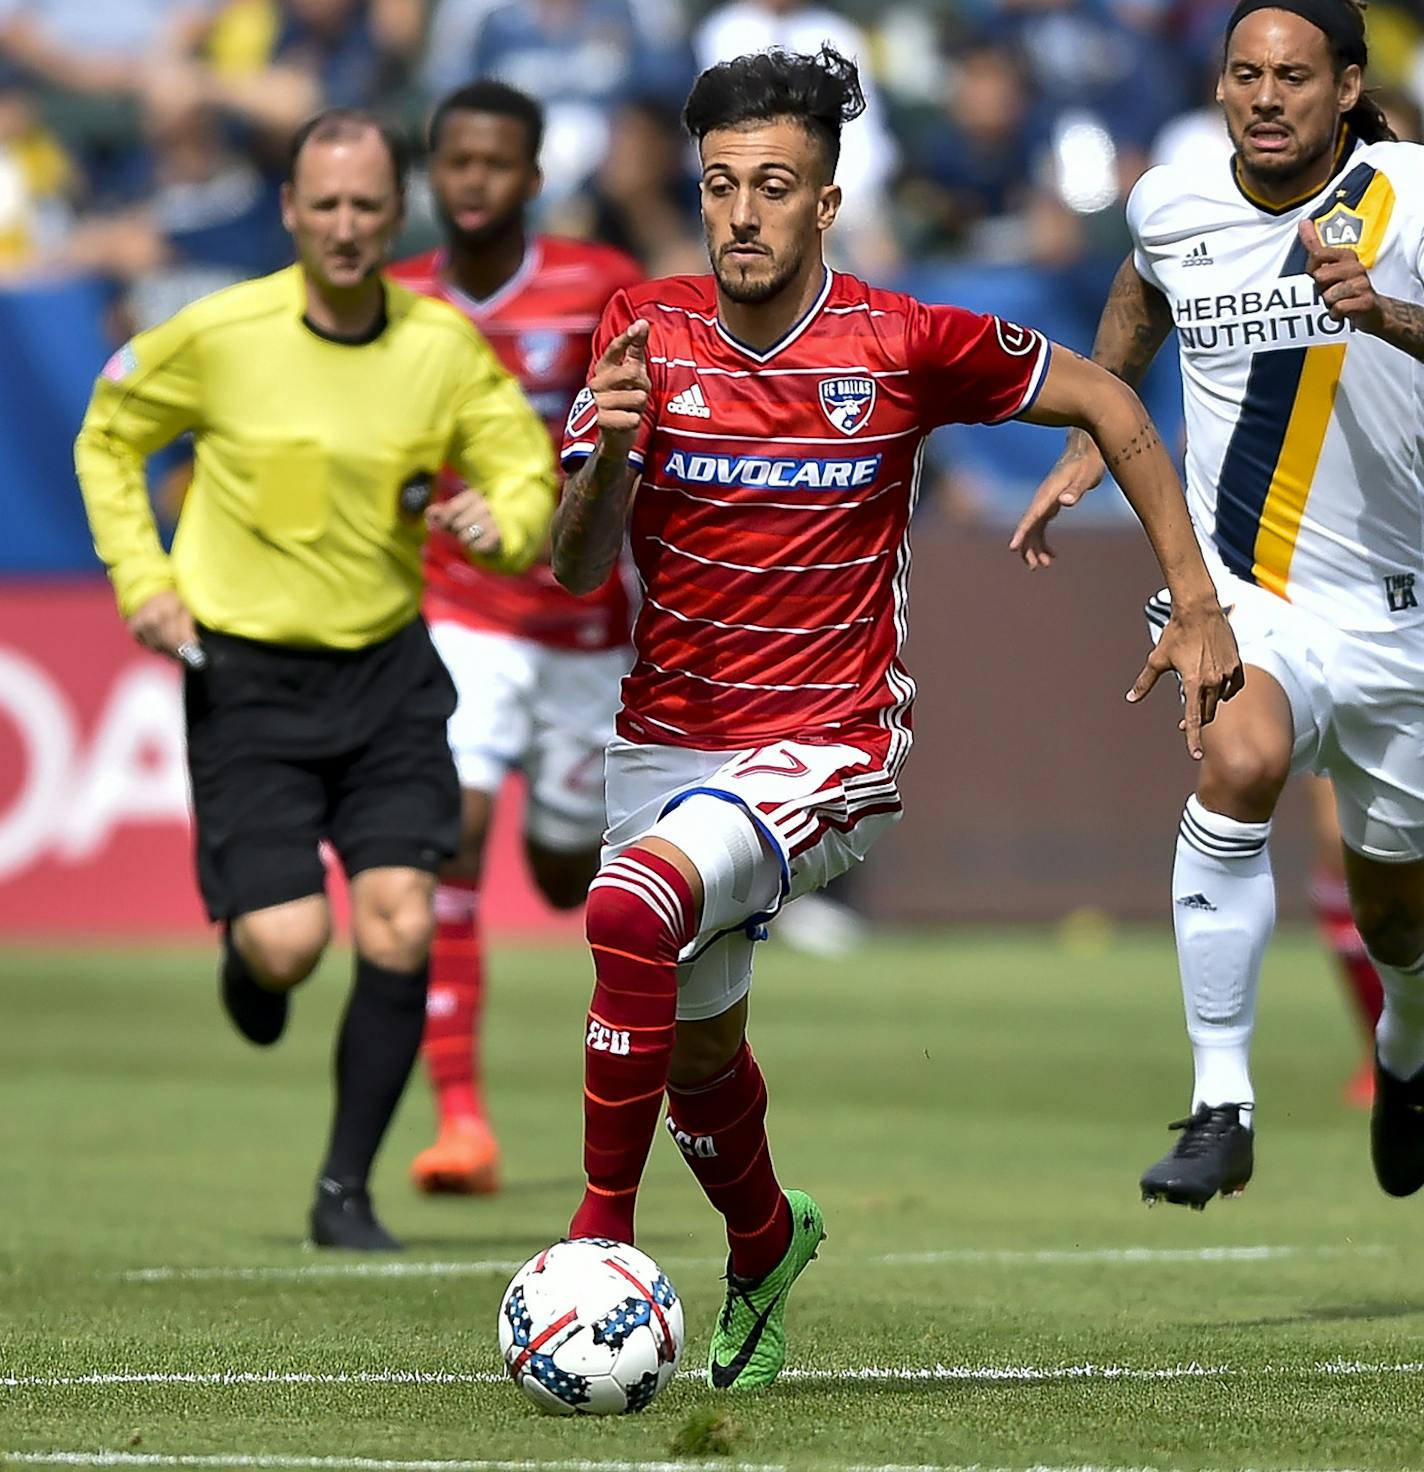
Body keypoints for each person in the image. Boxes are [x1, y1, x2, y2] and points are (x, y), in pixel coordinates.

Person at [549, 43, 1240, 1395]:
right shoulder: (645, 328)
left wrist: (1195, 601)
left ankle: (599, 1251)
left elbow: (1108, 395)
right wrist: (616, 454)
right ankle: (765, 1236)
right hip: (667, 740)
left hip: (833, 743)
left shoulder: (903, 341)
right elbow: (577, 563)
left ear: (824, 202)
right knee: (694, 1056)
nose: (743, 213)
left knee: (631, 911)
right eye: (721, 187)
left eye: (774, 188)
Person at [73, 105, 556, 1250]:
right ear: (290, 210)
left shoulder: (439, 346)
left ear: (400, 215)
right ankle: (254, 962)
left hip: (387, 674)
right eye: (324, 204)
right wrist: (141, 572)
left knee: (398, 923)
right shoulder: (222, 332)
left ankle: (344, 1190)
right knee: (290, 942)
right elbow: (108, 431)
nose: (345, 227)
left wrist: (507, 516)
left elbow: (522, 466)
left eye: (366, 206)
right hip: (246, 677)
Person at [1012, 0, 1424, 1209]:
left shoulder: (1409, 194)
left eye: (1291, 76)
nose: (1263, 97)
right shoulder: (1169, 200)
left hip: (1401, 612)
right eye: (1242, 73)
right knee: (1234, 763)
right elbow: (1140, 295)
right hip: (1246, 597)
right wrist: (1101, 424)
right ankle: (1219, 1102)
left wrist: (1386, 316)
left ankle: (1404, 1051)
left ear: (1344, 86)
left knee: (1398, 912)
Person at [387, 80, 642, 1196]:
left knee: (554, 872)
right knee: (450, 824)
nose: (473, 182)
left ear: (532, 179)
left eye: (496, 165)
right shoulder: (396, 302)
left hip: (585, 629)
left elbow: (642, 433)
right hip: (459, 612)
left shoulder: (597, 289)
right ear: (431, 176)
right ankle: (460, 1121)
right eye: (456, 164)